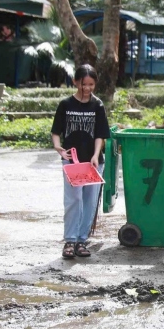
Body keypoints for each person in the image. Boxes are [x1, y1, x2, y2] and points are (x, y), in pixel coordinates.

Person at [51, 64, 111, 259]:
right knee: (73, 199)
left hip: (93, 162)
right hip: (71, 162)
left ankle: (81, 241)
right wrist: (58, 147)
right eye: (83, 84)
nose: (87, 88)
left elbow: (101, 135)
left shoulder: (98, 105)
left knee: (89, 201)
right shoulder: (66, 104)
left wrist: (95, 155)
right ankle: (69, 239)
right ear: (76, 82)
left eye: (91, 84)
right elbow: (56, 131)